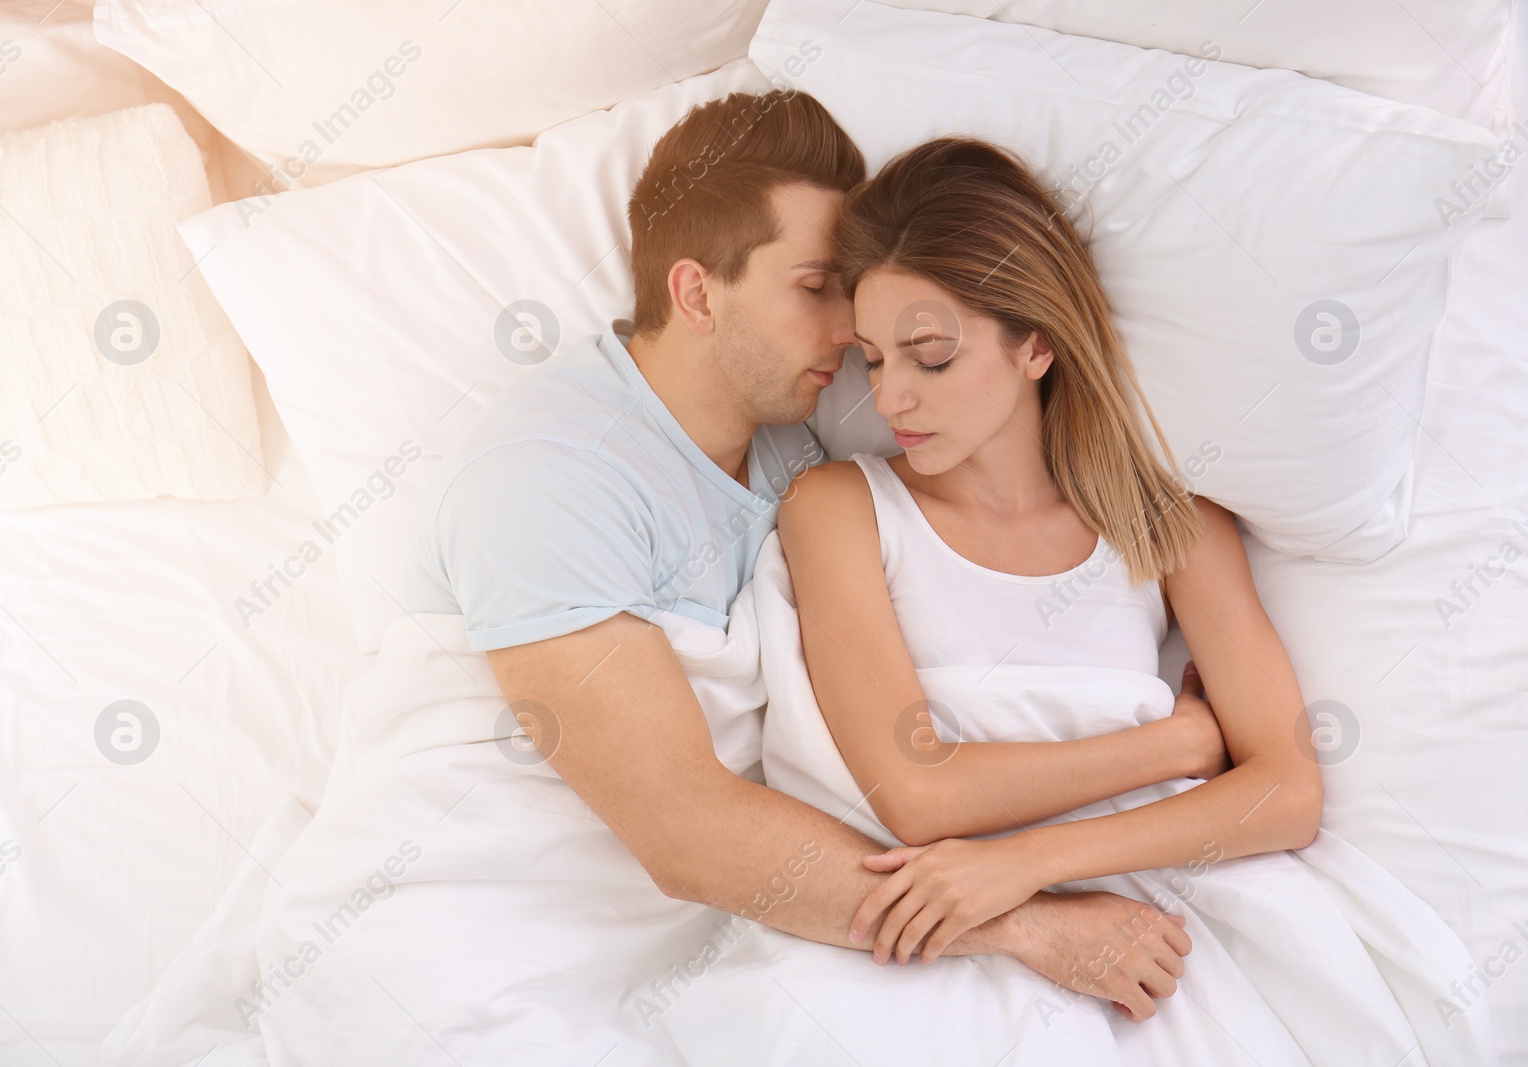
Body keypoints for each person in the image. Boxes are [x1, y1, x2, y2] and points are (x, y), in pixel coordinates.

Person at [407, 91, 1205, 1021]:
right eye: (816, 286)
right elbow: (687, 835)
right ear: (698, 292)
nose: (849, 331)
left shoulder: (795, 442)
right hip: (478, 943)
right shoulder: (549, 479)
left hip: (723, 940)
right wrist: (1026, 921)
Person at [742, 134, 1478, 1063]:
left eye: (928, 354)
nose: (891, 395)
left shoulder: (1173, 524)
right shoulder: (842, 506)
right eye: (874, 358)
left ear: (1036, 343)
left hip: (1140, 908)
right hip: (927, 919)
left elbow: (1288, 792)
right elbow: (920, 792)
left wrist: (1027, 862)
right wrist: (1179, 741)